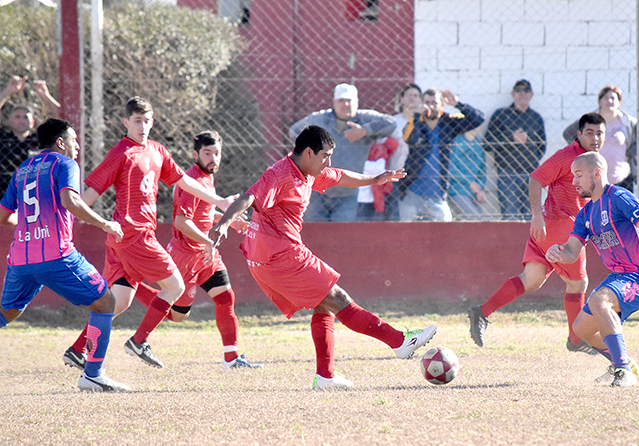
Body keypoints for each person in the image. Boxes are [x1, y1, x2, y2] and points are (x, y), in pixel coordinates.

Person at [209, 125, 437, 390]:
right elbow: (249, 197)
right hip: (279, 257)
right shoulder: (279, 174)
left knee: (324, 304)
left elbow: (338, 176)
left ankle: (325, 376)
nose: (328, 161)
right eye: (325, 155)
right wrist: (224, 223)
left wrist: (375, 180)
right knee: (338, 298)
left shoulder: (308, 172)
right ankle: (399, 341)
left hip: (271, 256)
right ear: (308, 152)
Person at [63, 97, 232, 370]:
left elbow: (183, 181)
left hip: (122, 239)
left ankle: (77, 349)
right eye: (137, 121)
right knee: (175, 286)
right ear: (126, 122)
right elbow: (86, 196)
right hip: (135, 237)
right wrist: (65, 220)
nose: (143, 126)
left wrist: (219, 201)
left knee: (118, 302)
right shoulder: (120, 154)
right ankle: (139, 341)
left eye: (147, 121)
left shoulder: (157, 150)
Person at [0, 119, 128, 392]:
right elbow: (71, 200)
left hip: (20, 259)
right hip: (56, 256)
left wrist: (27, 225)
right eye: (73, 140)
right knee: (105, 302)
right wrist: (106, 224)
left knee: (6, 313)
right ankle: (92, 374)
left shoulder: (22, 170)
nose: (77, 145)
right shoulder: (65, 164)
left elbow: (3, 216)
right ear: (61, 143)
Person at [468, 113, 607, 354]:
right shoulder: (568, 156)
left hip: (550, 229)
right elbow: (535, 179)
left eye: (599, 133)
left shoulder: (592, 160)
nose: (595, 137)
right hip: (560, 227)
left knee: (531, 280)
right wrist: (536, 215)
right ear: (579, 134)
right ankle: (576, 340)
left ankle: (481, 312)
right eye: (589, 133)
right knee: (578, 282)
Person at [130, 131, 262, 369]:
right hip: (186, 255)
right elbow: (181, 223)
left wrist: (232, 221)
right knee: (179, 315)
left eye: (216, 153)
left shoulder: (207, 177)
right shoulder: (191, 180)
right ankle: (133, 286)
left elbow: (205, 214)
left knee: (225, 297)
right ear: (195, 154)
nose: (213, 158)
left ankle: (232, 359)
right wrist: (209, 241)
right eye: (207, 153)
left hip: (206, 255)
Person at [545, 151, 639, 387]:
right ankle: (622, 360)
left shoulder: (619, 197)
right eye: (573, 176)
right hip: (620, 277)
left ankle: (623, 371)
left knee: (599, 301)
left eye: (579, 175)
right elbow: (571, 252)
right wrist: (557, 253)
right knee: (581, 329)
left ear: (597, 173)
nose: (574, 181)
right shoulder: (585, 214)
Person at [288, 83, 396, 222]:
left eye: (349, 101)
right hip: (316, 190)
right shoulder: (320, 119)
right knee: (315, 234)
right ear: (334, 102)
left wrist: (365, 131)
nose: (346, 104)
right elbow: (294, 131)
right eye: (341, 100)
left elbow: (391, 122)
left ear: (357, 103)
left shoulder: (363, 118)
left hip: (347, 192)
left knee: (339, 235)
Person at [399, 88, 484, 222]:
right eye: (427, 103)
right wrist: (416, 115)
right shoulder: (416, 122)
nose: (430, 107)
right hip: (412, 193)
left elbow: (478, 119)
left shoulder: (449, 122)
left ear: (442, 105)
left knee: (445, 229)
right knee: (406, 233)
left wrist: (457, 104)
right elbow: (410, 139)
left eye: (434, 103)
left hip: (437, 195)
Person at [483, 79, 546, 220]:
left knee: (533, 218)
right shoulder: (501, 115)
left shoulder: (536, 118)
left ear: (532, 94)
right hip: (507, 173)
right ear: (512, 94)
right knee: (510, 217)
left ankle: (531, 244)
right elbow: (487, 143)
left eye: (526, 91)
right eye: (518, 90)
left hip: (531, 174)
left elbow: (542, 147)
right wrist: (511, 138)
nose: (522, 94)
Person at [563, 85, 637, 192]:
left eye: (613, 98)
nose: (609, 101)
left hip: (622, 178)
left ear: (619, 102)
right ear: (599, 101)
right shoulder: (590, 120)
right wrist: (582, 149)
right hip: (595, 177)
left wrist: (630, 158)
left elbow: (637, 145)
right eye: (606, 97)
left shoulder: (629, 123)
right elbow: (568, 134)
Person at [0, 76, 61, 195]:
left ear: (32, 122)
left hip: (36, 195)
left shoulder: (40, 139)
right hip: (4, 194)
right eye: (18, 117)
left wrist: (45, 95)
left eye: (26, 117)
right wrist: (7, 92)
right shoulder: (3, 138)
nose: (22, 120)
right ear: (10, 121)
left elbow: (63, 119)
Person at [384, 83, 422, 221]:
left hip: (416, 175)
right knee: (393, 214)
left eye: (416, 95)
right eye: (408, 95)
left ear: (420, 100)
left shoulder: (422, 122)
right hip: (395, 173)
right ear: (402, 99)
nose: (412, 98)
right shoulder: (393, 122)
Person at [448, 127, 487, 220]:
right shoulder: (456, 142)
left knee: (478, 217)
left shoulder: (478, 145)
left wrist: (480, 189)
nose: (475, 127)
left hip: (473, 192)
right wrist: (469, 182)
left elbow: (482, 170)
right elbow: (450, 168)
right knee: (473, 216)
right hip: (457, 190)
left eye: (478, 124)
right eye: (473, 123)